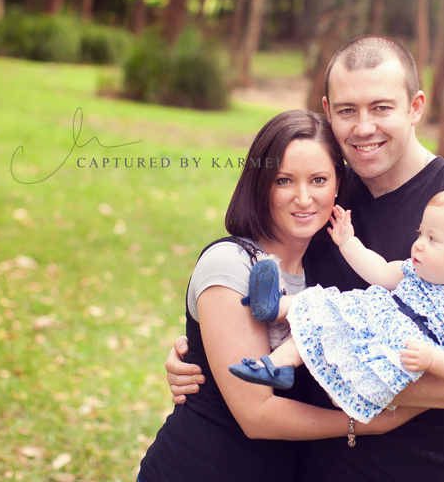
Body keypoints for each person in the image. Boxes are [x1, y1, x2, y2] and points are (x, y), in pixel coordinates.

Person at [166, 35, 444, 481]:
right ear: (327, 111)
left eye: (381, 108)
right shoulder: (323, 195)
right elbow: (254, 281)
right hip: (317, 467)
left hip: (431, 469)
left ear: (415, 107)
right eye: (346, 110)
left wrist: (364, 384)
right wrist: (204, 360)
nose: (363, 127)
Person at [137, 109, 422, 482]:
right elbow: (256, 415)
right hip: (199, 467)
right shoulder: (231, 263)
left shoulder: (325, 271)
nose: (303, 198)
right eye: (284, 180)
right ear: (261, 185)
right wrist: (365, 422)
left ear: (338, 185)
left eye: (318, 179)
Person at [230, 190, 444, 427]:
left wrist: (434, 360)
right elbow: (377, 271)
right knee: (323, 306)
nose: (419, 245)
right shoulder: (414, 271)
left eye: (432, 239)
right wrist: (347, 241)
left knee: (326, 327)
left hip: (389, 348)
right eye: (421, 233)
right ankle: (272, 315)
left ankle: (279, 362)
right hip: (368, 314)